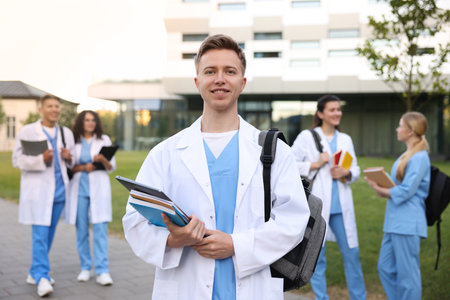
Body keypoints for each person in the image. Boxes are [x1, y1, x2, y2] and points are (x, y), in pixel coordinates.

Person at [122, 34, 310, 300]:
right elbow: (134, 222)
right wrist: (175, 240)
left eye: (229, 71)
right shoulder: (165, 154)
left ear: (242, 83)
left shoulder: (275, 152)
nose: (219, 78)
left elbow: (293, 221)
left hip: (252, 287)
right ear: (197, 82)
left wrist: (236, 245)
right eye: (210, 71)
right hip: (185, 287)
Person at [291, 95, 366, 300]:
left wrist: (347, 173)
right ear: (320, 113)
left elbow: (356, 168)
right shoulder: (307, 137)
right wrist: (314, 164)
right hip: (319, 208)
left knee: (352, 256)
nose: (337, 113)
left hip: (341, 208)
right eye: (332, 110)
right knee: (317, 258)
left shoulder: (345, 139)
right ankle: (321, 297)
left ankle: (359, 297)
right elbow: (288, 163)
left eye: (338, 109)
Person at [12, 94, 74, 297]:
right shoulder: (29, 131)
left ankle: (34, 272)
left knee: (48, 235)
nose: (54, 109)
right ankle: (43, 277)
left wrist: (67, 157)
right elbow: (17, 160)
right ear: (41, 109)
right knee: (39, 235)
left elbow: (70, 163)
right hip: (38, 193)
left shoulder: (65, 133)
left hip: (59, 192)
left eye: (57, 106)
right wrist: (41, 158)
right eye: (50, 106)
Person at [365, 112, 430, 300]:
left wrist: (380, 188)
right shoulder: (406, 155)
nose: (397, 128)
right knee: (385, 268)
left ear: (410, 131)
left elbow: (406, 191)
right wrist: (380, 185)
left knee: (408, 276)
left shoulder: (419, 158)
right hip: (394, 222)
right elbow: (396, 188)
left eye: (400, 125)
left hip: (408, 223)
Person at [66, 110, 116, 286]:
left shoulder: (104, 140)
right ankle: (85, 267)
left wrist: (102, 159)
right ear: (81, 122)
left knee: (100, 230)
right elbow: (69, 167)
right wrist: (83, 167)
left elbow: (111, 167)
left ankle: (102, 271)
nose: (90, 123)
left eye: (93, 120)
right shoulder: (74, 141)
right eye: (87, 120)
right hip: (79, 190)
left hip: (99, 190)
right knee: (81, 230)